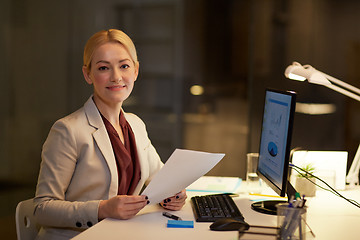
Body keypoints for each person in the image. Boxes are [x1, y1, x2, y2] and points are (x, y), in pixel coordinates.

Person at [33, 29, 187, 240]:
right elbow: (42, 208)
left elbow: (158, 179)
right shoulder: (67, 130)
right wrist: (102, 209)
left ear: (135, 70)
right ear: (88, 74)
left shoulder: (135, 124)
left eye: (124, 66)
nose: (116, 77)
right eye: (104, 68)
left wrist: (173, 194)